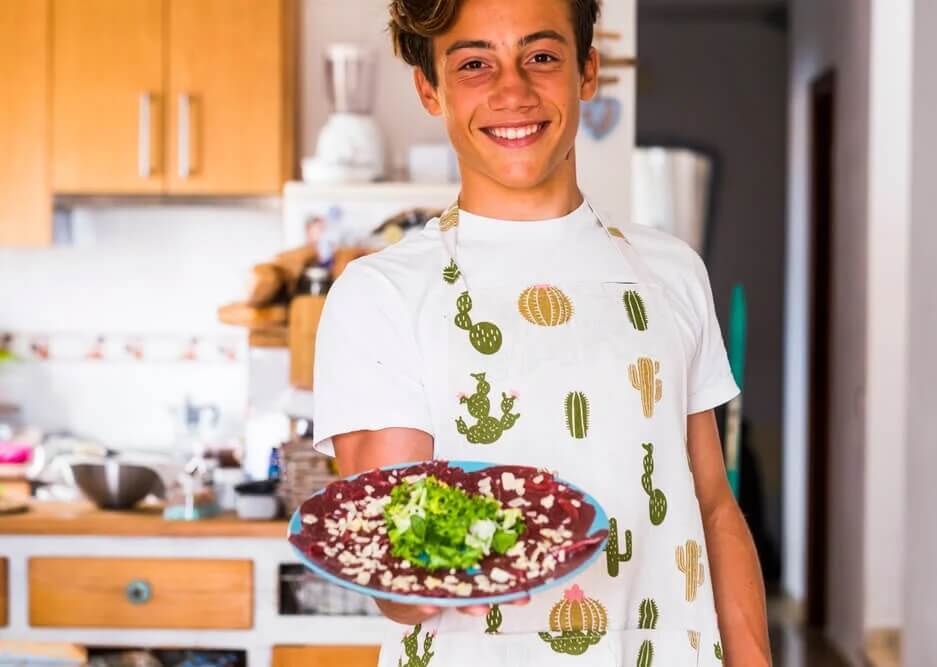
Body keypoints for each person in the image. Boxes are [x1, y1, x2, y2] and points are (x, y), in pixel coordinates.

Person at [312, 0, 770, 664]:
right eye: (474, 63)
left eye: (542, 57)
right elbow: (397, 572)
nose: (512, 90)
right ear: (429, 88)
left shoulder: (670, 271)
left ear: (587, 71)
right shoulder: (383, 294)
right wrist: (425, 573)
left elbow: (712, 503)